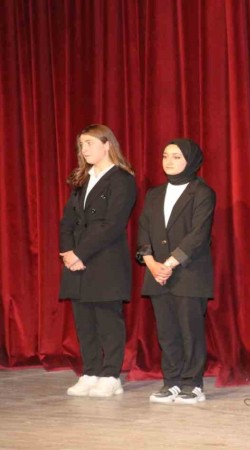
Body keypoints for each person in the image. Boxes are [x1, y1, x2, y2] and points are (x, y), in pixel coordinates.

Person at [59, 124, 137, 397]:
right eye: (81, 145)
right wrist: (68, 253)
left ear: (107, 145)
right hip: (77, 262)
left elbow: (112, 225)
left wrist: (80, 253)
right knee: (84, 322)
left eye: (90, 143)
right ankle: (90, 372)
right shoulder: (82, 180)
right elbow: (67, 221)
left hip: (105, 261)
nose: (84, 149)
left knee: (107, 321)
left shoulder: (122, 180)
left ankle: (111, 375)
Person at [136, 138, 216, 405]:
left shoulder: (202, 192)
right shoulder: (154, 194)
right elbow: (144, 230)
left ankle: (192, 384)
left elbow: (198, 235)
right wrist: (151, 263)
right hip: (157, 273)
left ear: (190, 161)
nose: (169, 161)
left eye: (176, 157)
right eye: (165, 156)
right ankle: (171, 381)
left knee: (190, 331)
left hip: (188, 273)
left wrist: (169, 264)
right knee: (166, 332)